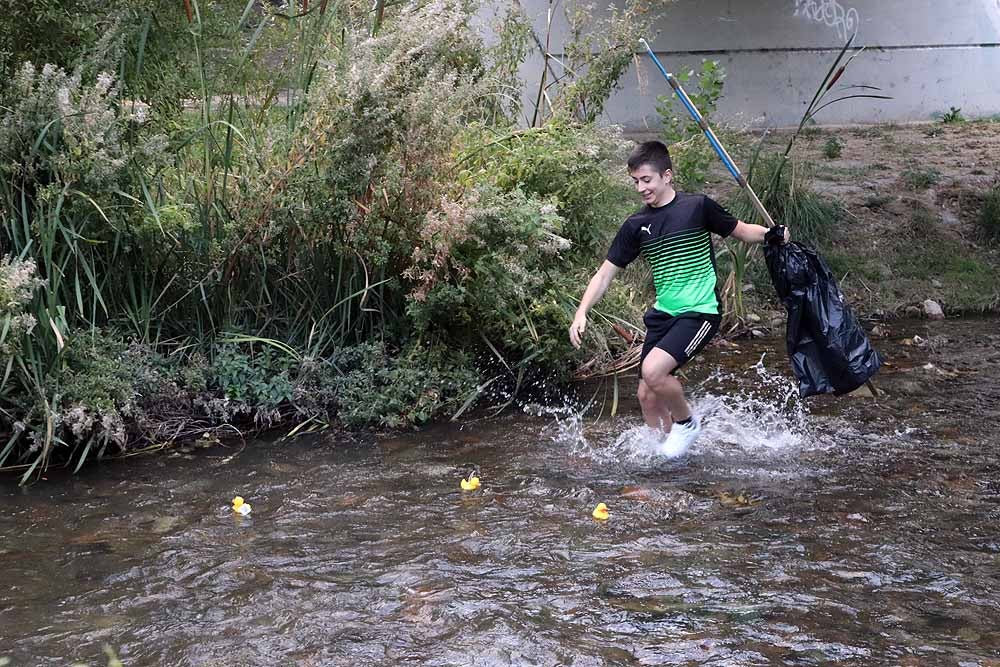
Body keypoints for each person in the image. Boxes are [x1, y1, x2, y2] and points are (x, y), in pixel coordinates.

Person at [568, 140, 788, 457]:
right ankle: (667, 456)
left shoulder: (697, 207)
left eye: (647, 180)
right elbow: (604, 274)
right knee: (647, 394)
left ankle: (686, 425)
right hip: (664, 314)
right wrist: (581, 312)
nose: (641, 188)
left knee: (654, 372)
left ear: (667, 176)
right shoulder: (636, 225)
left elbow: (740, 231)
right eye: (636, 181)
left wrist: (770, 234)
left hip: (700, 311)